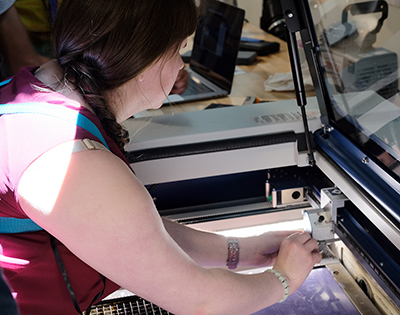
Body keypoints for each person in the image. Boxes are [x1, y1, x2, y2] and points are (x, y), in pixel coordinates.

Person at [0, 0, 322, 314]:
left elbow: (134, 232)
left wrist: (238, 251)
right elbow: (201, 303)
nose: (182, 66)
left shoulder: (40, 88)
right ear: (144, 59)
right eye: (179, 51)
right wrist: (284, 279)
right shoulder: (72, 163)